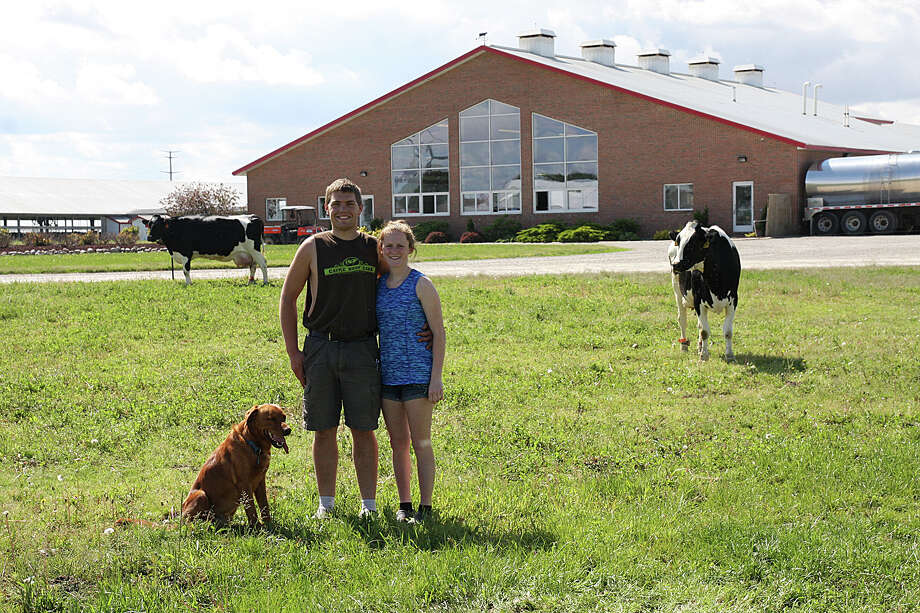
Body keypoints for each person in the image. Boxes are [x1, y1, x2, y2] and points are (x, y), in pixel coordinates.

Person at [279, 178, 381, 519]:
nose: (342, 209)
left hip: (363, 349)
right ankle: (327, 504)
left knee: (363, 429)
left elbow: (399, 288)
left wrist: (422, 328)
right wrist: (294, 352)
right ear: (326, 208)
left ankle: (369, 505)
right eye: (335, 203)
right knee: (324, 429)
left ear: (360, 208)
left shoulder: (374, 248)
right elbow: (288, 299)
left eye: (349, 203)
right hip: (321, 348)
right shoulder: (313, 247)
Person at [375, 220, 446, 523]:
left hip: (418, 376)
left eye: (400, 246)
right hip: (388, 377)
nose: (394, 251)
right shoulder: (377, 285)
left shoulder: (422, 284)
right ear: (381, 249)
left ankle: (425, 507)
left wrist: (436, 377)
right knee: (398, 443)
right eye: (388, 246)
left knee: (422, 442)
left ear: (411, 249)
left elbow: (439, 333)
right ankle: (404, 505)